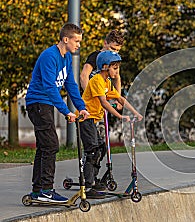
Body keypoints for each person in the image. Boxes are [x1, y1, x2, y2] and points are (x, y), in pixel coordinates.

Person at [25, 23, 90, 203]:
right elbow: (50, 87)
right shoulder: (49, 56)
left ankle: (38, 190)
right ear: (65, 39)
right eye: (76, 41)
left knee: (45, 146)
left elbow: (70, 85)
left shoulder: (66, 57)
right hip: (37, 102)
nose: (78, 45)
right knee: (51, 144)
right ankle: (46, 190)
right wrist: (66, 111)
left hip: (45, 105)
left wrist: (81, 106)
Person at [79, 50, 143, 198]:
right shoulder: (96, 81)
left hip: (93, 119)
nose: (117, 71)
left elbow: (120, 98)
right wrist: (120, 116)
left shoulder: (107, 82)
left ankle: (93, 180)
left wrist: (135, 112)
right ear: (104, 67)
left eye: (118, 67)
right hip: (85, 118)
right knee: (92, 150)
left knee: (101, 148)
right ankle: (87, 186)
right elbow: (104, 102)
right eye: (115, 68)